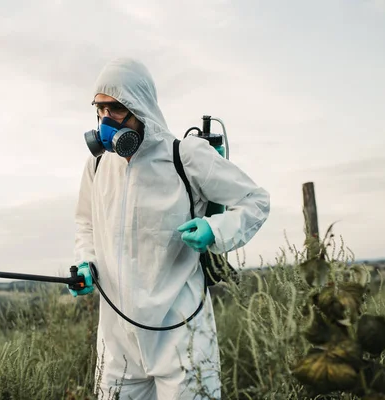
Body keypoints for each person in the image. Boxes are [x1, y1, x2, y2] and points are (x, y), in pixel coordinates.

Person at [70, 57, 270, 400]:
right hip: (117, 342)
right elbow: (86, 223)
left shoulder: (185, 156)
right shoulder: (98, 164)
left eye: (115, 109)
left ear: (139, 106)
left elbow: (255, 201)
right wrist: (87, 263)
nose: (105, 121)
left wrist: (214, 229)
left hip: (182, 336)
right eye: (99, 110)